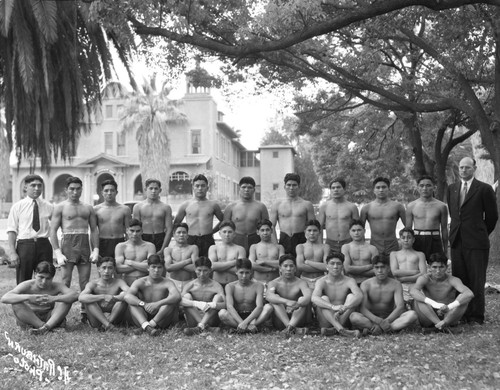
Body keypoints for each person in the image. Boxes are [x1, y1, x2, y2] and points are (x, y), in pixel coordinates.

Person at [446, 157, 498, 325]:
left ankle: (476, 316)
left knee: (476, 280)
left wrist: (480, 232)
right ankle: (461, 314)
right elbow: (455, 215)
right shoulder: (452, 189)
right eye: (461, 167)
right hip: (457, 241)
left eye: (467, 167)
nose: (463, 170)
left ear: (474, 168)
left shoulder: (484, 189)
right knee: (460, 280)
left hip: (476, 242)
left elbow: (492, 217)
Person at [50, 176, 99, 322]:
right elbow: (52, 231)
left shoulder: (88, 207)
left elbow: (94, 230)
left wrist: (95, 249)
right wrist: (58, 252)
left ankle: (86, 313)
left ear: (81, 189)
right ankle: (61, 316)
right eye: (72, 189)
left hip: (84, 243)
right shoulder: (60, 207)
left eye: (78, 189)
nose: (75, 192)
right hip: (68, 244)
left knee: (85, 281)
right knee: (65, 281)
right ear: (66, 190)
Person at [1, 261, 78, 334]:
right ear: (35, 274)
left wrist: (53, 298)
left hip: (50, 318)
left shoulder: (56, 286)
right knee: (15, 302)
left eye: (48, 278)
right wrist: (29, 297)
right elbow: (5, 298)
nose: (44, 281)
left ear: (52, 278)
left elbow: (75, 295)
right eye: (41, 277)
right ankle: (44, 327)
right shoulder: (27, 285)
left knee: (66, 299)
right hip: (30, 318)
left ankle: (46, 327)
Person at [350, 255, 418, 335]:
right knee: (353, 317)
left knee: (412, 315)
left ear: (388, 268)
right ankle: (385, 329)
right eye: (377, 267)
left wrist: (386, 321)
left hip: (390, 318)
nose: (380, 270)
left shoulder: (396, 284)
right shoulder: (366, 284)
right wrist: (378, 321)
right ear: (373, 269)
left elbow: (400, 307)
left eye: (383, 267)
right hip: (371, 318)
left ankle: (376, 329)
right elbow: (363, 308)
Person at [7, 174, 54, 284]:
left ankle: (44, 300)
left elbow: (55, 227)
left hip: (44, 245)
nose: (37, 188)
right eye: (33, 185)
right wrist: (13, 253)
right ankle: (23, 301)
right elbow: (12, 231)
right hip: (25, 246)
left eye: (39, 185)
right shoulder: (17, 206)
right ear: (25, 187)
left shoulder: (49, 206)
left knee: (45, 277)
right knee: (23, 280)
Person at [411, 253, 474, 332]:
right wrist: (434, 304)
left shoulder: (452, 279)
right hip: (429, 316)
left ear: (446, 267)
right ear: (429, 267)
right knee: (418, 299)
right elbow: (413, 291)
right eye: (434, 267)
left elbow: (469, 293)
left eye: (441, 267)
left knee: (464, 299)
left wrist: (449, 307)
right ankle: (441, 327)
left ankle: (440, 326)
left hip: (448, 316)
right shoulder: (424, 278)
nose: (438, 271)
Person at [124, 255, 181, 336]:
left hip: (161, 319)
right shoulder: (140, 281)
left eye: (159, 267)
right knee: (132, 303)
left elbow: (177, 296)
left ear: (163, 268)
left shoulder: (168, 282)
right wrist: (144, 304)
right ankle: (147, 327)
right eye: (153, 267)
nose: (156, 270)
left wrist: (158, 304)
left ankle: (148, 326)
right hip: (143, 316)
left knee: (171, 302)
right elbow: (127, 296)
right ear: (148, 268)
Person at [311, 253, 363, 337]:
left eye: (338, 264)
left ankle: (335, 330)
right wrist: (332, 307)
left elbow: (359, 296)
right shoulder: (321, 281)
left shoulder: (349, 280)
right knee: (323, 298)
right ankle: (340, 328)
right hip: (326, 320)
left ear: (342, 266)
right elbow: (314, 298)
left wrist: (344, 308)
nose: (335, 267)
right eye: (332, 263)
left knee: (352, 297)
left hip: (342, 317)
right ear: (327, 266)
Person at [174, 174, 224, 257]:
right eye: (197, 186)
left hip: (207, 239)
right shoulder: (186, 205)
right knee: (191, 265)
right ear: (193, 188)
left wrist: (213, 231)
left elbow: (224, 221)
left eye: (203, 186)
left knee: (208, 265)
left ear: (207, 188)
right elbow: (176, 223)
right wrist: (180, 237)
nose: (200, 188)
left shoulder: (213, 205)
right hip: (190, 239)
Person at [219, 259, 271, 333]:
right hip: (236, 316)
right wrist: (242, 323)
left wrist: (245, 322)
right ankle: (247, 329)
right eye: (241, 272)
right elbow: (229, 307)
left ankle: (243, 328)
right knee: (222, 313)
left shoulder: (258, 285)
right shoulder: (230, 286)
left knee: (268, 307)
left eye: (247, 273)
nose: (244, 276)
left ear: (251, 272)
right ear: (236, 272)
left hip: (253, 316)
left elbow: (259, 306)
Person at [270, 173, 316, 257]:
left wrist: (311, 244)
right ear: (284, 187)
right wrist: (275, 244)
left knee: (301, 266)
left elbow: (313, 227)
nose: (291, 188)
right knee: (284, 267)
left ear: (299, 187)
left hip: (301, 239)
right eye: (289, 185)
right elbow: (271, 226)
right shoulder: (277, 204)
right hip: (284, 239)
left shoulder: (306, 204)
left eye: (294, 185)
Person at [78, 257, 129, 331]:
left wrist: (113, 298)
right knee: (89, 300)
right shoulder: (93, 284)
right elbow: (81, 298)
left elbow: (130, 293)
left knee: (123, 299)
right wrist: (104, 297)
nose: (106, 271)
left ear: (114, 269)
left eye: (110, 268)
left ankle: (108, 324)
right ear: (99, 269)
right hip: (96, 321)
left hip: (114, 318)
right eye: (104, 268)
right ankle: (108, 325)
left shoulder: (119, 282)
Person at [266, 255, 312, 335]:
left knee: (302, 299)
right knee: (275, 298)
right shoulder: (273, 283)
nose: (288, 269)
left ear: (295, 268)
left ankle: (290, 327)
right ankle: (290, 327)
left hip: (298, 318)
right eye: (285, 266)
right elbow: (268, 296)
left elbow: (308, 297)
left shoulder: (301, 282)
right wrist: (287, 301)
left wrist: (296, 305)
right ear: (280, 268)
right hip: (281, 320)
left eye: (291, 266)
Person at [223, 177, 270, 256]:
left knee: (255, 264)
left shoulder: (261, 207)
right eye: (244, 187)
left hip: (255, 239)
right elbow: (224, 228)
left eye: (249, 187)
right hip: (236, 240)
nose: (246, 190)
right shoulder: (231, 207)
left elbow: (267, 227)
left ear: (254, 190)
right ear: (239, 189)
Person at [405, 175, 448, 259]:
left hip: (435, 239)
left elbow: (444, 228)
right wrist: (407, 247)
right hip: (417, 239)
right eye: (422, 186)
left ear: (434, 187)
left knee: (436, 266)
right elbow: (408, 229)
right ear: (417, 188)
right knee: (417, 267)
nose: (425, 188)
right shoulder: (411, 206)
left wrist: (445, 248)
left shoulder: (441, 206)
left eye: (428, 185)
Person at [360, 177, 406, 255]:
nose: (381, 190)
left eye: (384, 187)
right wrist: (362, 246)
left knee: (392, 266)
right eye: (378, 187)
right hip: (374, 243)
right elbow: (360, 229)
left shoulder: (398, 206)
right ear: (374, 190)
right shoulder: (366, 208)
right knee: (376, 266)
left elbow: (408, 226)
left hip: (392, 243)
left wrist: (404, 241)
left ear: (389, 189)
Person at [181, 257, 226, 335]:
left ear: (210, 270)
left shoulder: (216, 286)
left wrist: (212, 305)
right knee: (186, 297)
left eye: (205, 270)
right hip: (193, 319)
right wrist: (197, 304)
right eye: (199, 270)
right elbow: (179, 302)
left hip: (210, 319)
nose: (202, 274)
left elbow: (225, 304)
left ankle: (200, 327)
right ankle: (204, 327)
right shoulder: (190, 285)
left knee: (218, 297)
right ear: (195, 269)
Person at [318, 178, 359, 253]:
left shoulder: (352, 207)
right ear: (330, 190)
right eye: (333, 188)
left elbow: (358, 228)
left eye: (338, 187)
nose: (335, 190)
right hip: (330, 243)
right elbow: (319, 228)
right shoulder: (324, 206)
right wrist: (320, 245)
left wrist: (356, 244)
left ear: (344, 189)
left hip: (348, 243)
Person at [133, 179, 173, 255]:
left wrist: (163, 248)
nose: (153, 191)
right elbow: (135, 229)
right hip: (144, 238)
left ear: (160, 190)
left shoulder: (165, 207)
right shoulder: (138, 207)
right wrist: (140, 245)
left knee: (159, 264)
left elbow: (169, 229)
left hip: (160, 237)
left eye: (156, 188)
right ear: (145, 189)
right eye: (151, 188)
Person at [389, 228, 427, 305]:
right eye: (403, 238)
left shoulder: (420, 254)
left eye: (409, 238)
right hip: (400, 286)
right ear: (399, 239)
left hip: (416, 285)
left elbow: (423, 273)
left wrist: (404, 278)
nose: (406, 240)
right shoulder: (394, 254)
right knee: (401, 307)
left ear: (413, 240)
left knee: (419, 307)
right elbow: (395, 272)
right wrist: (415, 272)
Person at [94, 179, 130, 258]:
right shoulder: (96, 209)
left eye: (112, 190)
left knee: (119, 268)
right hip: (103, 242)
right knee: (104, 269)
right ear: (102, 193)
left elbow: (128, 230)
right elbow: (94, 231)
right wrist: (94, 250)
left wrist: (128, 247)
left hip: (120, 241)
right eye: (106, 191)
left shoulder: (124, 209)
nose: (109, 193)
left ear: (116, 192)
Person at [115, 219, 156, 286]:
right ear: (127, 231)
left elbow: (152, 267)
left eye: (138, 231)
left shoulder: (150, 246)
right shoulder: (121, 246)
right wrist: (141, 264)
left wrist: (131, 263)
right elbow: (118, 269)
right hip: (128, 282)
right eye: (132, 231)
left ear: (142, 231)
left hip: (145, 282)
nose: (135, 234)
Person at [208, 221, 246, 287]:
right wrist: (233, 263)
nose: (227, 235)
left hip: (234, 285)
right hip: (217, 284)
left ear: (234, 234)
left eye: (230, 232)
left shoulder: (240, 249)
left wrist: (219, 266)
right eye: (224, 232)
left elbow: (240, 270)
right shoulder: (213, 248)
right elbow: (212, 266)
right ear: (220, 233)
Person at [164, 223, 199, 293]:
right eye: (179, 232)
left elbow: (195, 268)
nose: (181, 235)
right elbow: (168, 268)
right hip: (173, 282)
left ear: (187, 235)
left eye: (184, 232)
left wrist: (174, 263)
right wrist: (187, 261)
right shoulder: (168, 249)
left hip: (189, 282)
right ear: (173, 235)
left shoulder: (193, 248)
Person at [296, 220, 330, 290]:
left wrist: (308, 262)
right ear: (305, 231)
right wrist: (320, 267)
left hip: (321, 279)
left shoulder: (325, 247)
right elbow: (300, 266)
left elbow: (327, 266)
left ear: (319, 232)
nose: (312, 233)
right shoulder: (300, 247)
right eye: (309, 230)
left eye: (315, 230)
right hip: (304, 280)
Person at [342, 220, 378, 284]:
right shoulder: (346, 247)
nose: (356, 233)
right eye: (353, 230)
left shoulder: (372, 248)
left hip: (369, 282)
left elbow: (376, 270)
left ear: (364, 231)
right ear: (349, 232)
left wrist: (355, 271)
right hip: (352, 282)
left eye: (359, 230)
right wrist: (368, 267)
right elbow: (347, 269)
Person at [249, 219, 285, 284]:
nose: (265, 233)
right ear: (257, 232)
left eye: (267, 230)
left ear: (271, 231)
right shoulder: (254, 247)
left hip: (275, 282)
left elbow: (282, 264)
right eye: (262, 230)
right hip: (258, 282)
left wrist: (264, 262)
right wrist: (270, 269)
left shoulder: (279, 247)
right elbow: (252, 265)